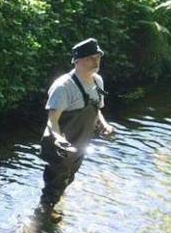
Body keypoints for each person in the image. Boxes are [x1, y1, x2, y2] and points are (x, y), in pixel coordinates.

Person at [38, 38, 115, 223]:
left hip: (81, 143)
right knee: (54, 183)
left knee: (68, 178)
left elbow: (97, 109)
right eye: (90, 58)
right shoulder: (63, 87)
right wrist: (58, 139)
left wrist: (104, 125)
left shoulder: (98, 81)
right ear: (76, 60)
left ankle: (48, 212)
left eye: (98, 57)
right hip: (61, 146)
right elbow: (52, 121)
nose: (95, 62)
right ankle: (40, 221)